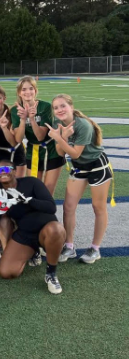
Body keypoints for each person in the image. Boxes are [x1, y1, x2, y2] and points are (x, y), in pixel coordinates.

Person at [0, 161, 66, 294]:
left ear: (14, 171)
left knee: (56, 229)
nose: (2, 172)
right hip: (25, 234)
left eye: (6, 168)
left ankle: (51, 273)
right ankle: (34, 252)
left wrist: (28, 200)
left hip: (46, 230)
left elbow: (51, 208)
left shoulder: (31, 182)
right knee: (6, 272)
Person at [49, 94, 113, 264]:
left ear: (71, 106)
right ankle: (69, 246)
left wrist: (60, 138)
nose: (59, 110)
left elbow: (75, 152)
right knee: (68, 206)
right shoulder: (58, 124)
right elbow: (61, 152)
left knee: (98, 207)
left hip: (97, 166)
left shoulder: (83, 125)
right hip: (79, 166)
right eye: (56, 108)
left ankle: (95, 248)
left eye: (63, 106)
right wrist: (62, 137)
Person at [11, 76, 64, 194]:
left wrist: (32, 119)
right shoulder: (15, 110)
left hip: (51, 150)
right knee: (33, 190)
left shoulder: (45, 107)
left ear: (35, 90)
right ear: (19, 92)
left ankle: (48, 212)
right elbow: (18, 139)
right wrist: (23, 120)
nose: (28, 92)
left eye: (31, 88)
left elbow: (40, 137)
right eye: (24, 89)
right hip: (32, 151)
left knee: (48, 191)